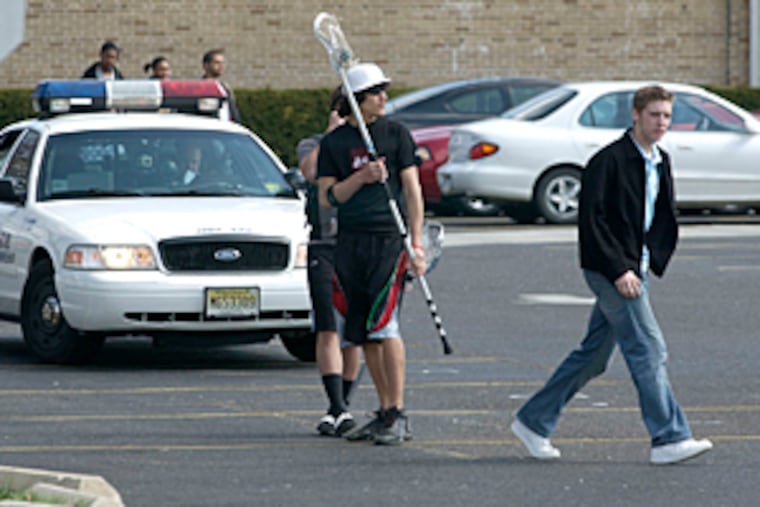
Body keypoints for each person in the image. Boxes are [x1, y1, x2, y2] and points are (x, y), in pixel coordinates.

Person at [510, 85, 713, 465]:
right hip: (611, 270)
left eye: (667, 116)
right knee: (649, 348)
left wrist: (649, 258)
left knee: (593, 357)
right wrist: (620, 268)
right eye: (654, 115)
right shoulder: (609, 160)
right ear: (635, 115)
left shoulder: (660, 159)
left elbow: (659, 213)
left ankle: (533, 421)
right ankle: (669, 437)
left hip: (635, 267)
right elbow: (592, 223)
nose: (661, 123)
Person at [317, 63, 426, 445]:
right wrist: (360, 178)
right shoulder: (334, 144)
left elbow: (412, 191)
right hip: (350, 242)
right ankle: (383, 411)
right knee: (363, 333)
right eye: (375, 92)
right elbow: (328, 197)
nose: (383, 98)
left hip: (388, 240)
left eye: (384, 91)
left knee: (385, 325)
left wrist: (416, 242)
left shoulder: (395, 134)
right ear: (356, 100)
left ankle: (398, 412)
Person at [296, 87, 361, 437]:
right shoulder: (313, 144)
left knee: (354, 330)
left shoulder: (366, 145)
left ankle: (344, 406)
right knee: (327, 325)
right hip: (324, 245)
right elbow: (308, 170)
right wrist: (332, 136)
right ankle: (335, 405)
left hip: (360, 244)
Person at [201, 49, 241, 123]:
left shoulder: (224, 88)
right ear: (206, 65)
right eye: (217, 63)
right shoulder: (200, 88)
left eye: (222, 63)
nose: (221, 66)